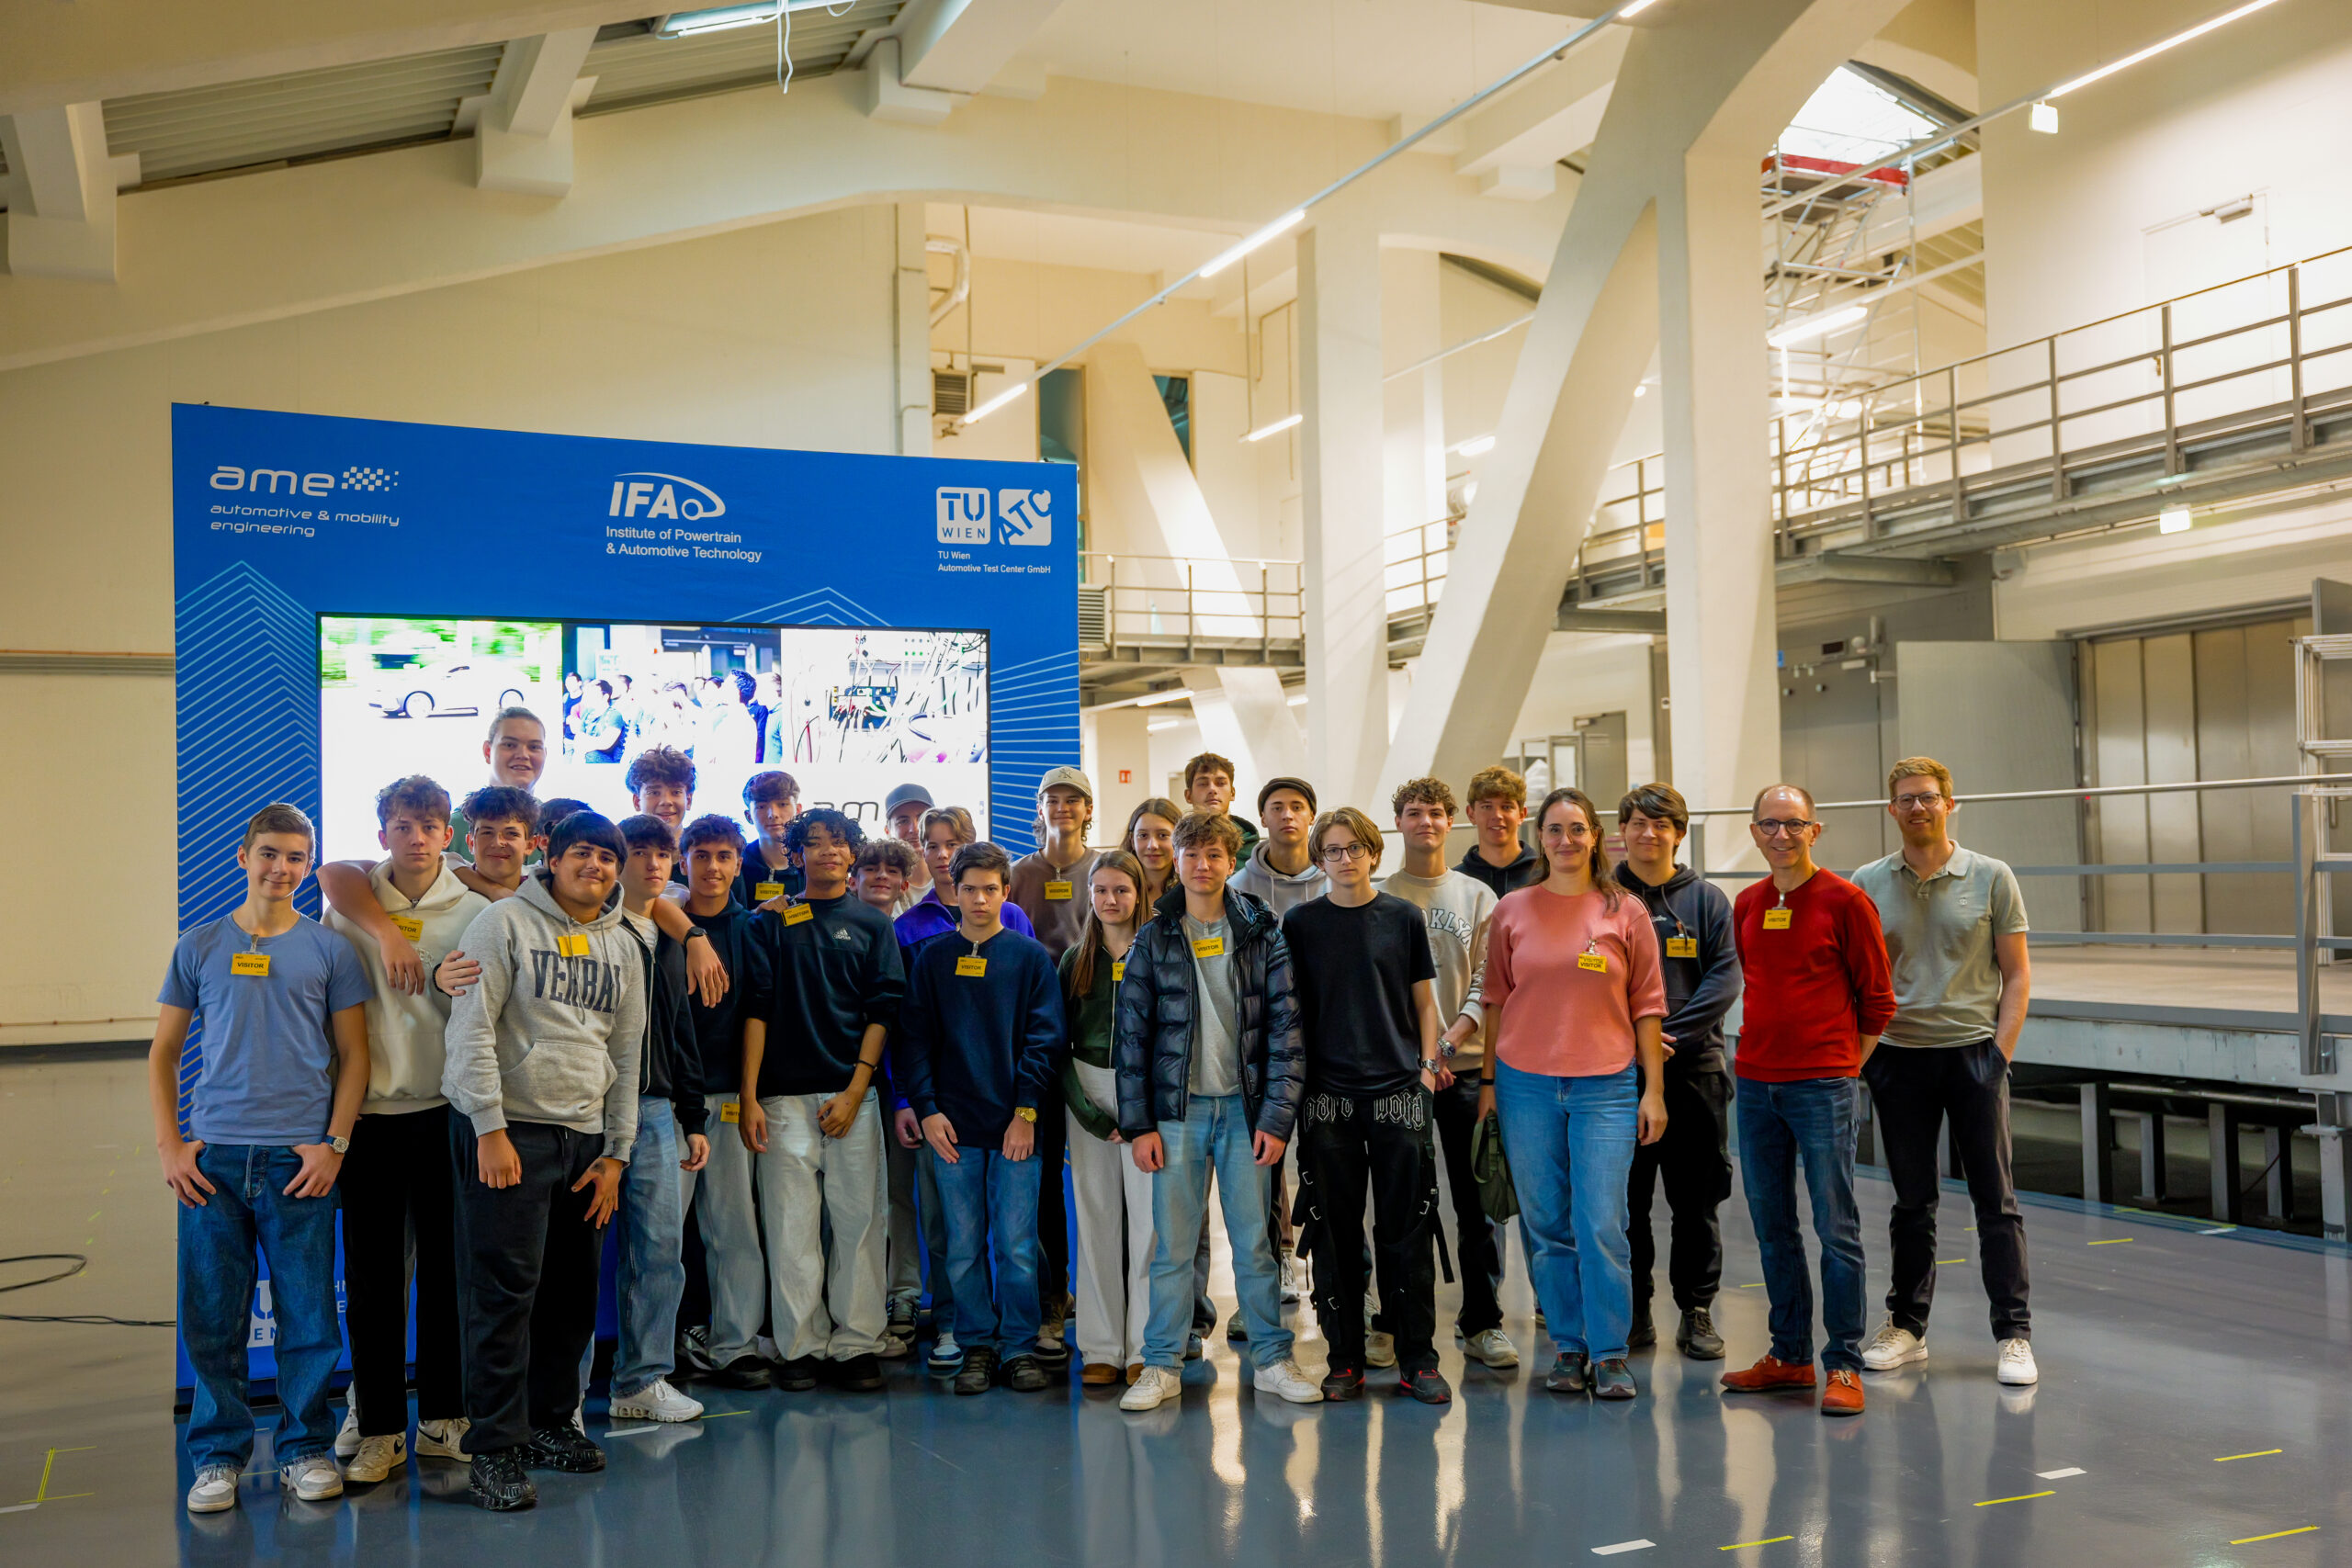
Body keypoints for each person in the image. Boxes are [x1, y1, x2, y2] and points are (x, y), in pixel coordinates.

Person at [153, 803, 372, 1515]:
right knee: (213, 1316)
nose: (282, 867)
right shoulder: (199, 944)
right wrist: (171, 1143)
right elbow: (163, 1052)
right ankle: (217, 1456)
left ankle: (304, 1448)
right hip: (212, 1164)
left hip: (299, 1163)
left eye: (296, 857)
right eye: (270, 853)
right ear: (243, 856)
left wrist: (335, 1144)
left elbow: (355, 1055)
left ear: (309, 866)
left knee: (309, 1317)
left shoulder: (330, 950)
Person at [441, 807, 644, 1510]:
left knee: (570, 1296)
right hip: (511, 1135)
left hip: (586, 1141)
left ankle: (552, 1423)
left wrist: (616, 1154)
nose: (596, 865)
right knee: (502, 1297)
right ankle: (494, 1449)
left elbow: (628, 1053)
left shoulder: (624, 945)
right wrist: (488, 1127)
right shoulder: (501, 924)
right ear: (551, 858)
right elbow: (470, 1030)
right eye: (582, 852)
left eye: (608, 857)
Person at [1114, 810, 1321, 1412]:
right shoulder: (1153, 937)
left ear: (1232, 862)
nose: (1202, 865)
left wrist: (1276, 1119)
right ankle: (1161, 1364)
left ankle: (1272, 1359)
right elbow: (1131, 1039)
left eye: (1213, 855)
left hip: (1244, 1111)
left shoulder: (1262, 931)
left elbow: (1286, 1031)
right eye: (1192, 854)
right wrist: (1140, 1125)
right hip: (1177, 1114)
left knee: (1255, 1244)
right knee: (1173, 1248)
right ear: (1175, 861)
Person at [1476, 786, 1668, 1402]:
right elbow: (1495, 1001)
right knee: (1548, 1225)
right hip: (1525, 1085)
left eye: (1577, 829)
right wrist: (1488, 1086)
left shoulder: (1625, 911)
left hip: (1606, 1087)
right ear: (1540, 838)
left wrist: (1653, 1092)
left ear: (1595, 837)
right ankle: (1567, 1346)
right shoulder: (1512, 910)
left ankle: (1610, 1351)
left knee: (1603, 1222)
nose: (1566, 840)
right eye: (1555, 829)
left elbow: (1648, 1006)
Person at [1850, 758, 2036, 1387]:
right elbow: (1859, 976)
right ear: (1892, 809)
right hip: (1898, 1058)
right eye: (1905, 799)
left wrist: (1998, 1054)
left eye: (1928, 797)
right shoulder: (1868, 881)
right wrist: (1867, 1055)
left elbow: (2017, 973)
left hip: (1973, 1055)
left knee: (1995, 1200)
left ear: (1949, 804)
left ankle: (2013, 1334)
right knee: (1911, 1201)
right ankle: (1907, 1326)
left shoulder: (1991, 876)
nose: (1917, 807)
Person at [321, 776, 485, 1481]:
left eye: (429, 826)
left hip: (448, 1113)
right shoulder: (348, 909)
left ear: (448, 834)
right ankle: (381, 1426)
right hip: (372, 1117)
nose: (416, 838)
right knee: (373, 1281)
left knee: (449, 1274)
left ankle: (444, 1419)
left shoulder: (476, 909)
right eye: (403, 825)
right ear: (382, 833)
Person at [1719, 784, 1895, 1419]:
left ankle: (1842, 1361)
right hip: (1755, 1085)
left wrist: (1843, 1066)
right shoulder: (1748, 903)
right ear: (1754, 831)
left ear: (1814, 831)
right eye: (1770, 824)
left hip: (1823, 1086)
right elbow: (1755, 979)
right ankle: (1789, 1353)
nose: (1781, 835)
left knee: (1835, 1228)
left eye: (1794, 824)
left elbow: (1878, 1000)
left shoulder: (1847, 901)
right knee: (1772, 1227)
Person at [1282, 807, 1449, 1404]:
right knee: (1335, 1234)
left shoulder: (1402, 917)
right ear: (1319, 859)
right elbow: (1291, 1010)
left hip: (1399, 1092)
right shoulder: (1300, 923)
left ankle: (1418, 1357)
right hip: (1328, 1099)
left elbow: (1425, 1003)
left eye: (1355, 848)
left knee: (1407, 1229)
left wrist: (1425, 1072)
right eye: (1333, 850)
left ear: (1374, 854)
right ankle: (1345, 1357)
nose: (1345, 858)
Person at [740, 809, 906, 1393]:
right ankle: (799, 1346)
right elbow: (756, 1009)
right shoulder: (770, 922)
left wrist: (856, 1090)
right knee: (791, 1230)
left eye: (839, 843)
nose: (829, 852)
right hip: (782, 1099)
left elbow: (883, 1010)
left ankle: (857, 1342)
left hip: (851, 1097)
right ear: (797, 854)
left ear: (852, 852)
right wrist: (750, 1095)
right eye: (814, 843)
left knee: (860, 1225)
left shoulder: (873, 924)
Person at [897, 841, 1065, 1396]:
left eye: (990, 889)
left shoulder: (1030, 958)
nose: (978, 899)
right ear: (956, 890)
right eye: (968, 889)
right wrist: (927, 1110)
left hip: (1017, 1126)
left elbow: (1045, 1041)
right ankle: (977, 1346)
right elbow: (915, 1041)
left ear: (1005, 892)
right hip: (951, 1130)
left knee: (1017, 1247)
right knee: (963, 1248)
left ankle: (1018, 1346)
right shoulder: (933, 960)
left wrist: (1026, 1112)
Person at [1381, 776, 1516, 1371]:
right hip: (1402, 1076)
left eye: (1436, 812)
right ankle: (1395, 1321)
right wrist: (1419, 1054)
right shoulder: (1382, 894)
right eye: (1414, 812)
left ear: (1450, 820)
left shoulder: (1478, 896)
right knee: (1401, 1204)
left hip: (1463, 1069)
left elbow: (1490, 981)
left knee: (1475, 1204)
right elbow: (1383, 990)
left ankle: (1482, 1321)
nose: (1426, 822)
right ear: (1399, 823)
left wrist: (1449, 1040)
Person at [1613, 783, 1740, 1362]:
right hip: (1618, 1074)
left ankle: (1696, 1309)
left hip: (1695, 1072)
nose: (1648, 833)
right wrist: (1633, 1042)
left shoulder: (1707, 900)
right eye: (1638, 822)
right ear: (1622, 831)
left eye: (1661, 824)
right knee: (1626, 1202)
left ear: (1679, 833)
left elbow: (1725, 978)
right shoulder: (1602, 897)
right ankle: (1635, 1310)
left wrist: (1665, 1038)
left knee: (1696, 1202)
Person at [603, 813, 711, 1424]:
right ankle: (561, 1397)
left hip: (658, 1109)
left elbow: (679, 1029)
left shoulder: (670, 935)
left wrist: (692, 1116)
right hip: (590, 1111)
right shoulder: (590, 924)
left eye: (661, 854)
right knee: (577, 1257)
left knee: (661, 1251)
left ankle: (640, 1381)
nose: (651, 863)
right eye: (638, 852)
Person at [669, 813, 775, 1391]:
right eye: (702, 855)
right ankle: (658, 1354)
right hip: (668, 1100)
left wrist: (749, 1094)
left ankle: (735, 1344)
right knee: (662, 1234)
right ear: (683, 860)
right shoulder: (663, 920)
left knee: (735, 1226)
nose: (713, 867)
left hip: (730, 1097)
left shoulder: (751, 928)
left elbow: (758, 1012)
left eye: (724, 856)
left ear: (739, 864)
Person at [1006, 765, 1100, 1359]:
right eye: (1052, 798)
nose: (1062, 807)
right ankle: (1052, 1297)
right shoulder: (1018, 875)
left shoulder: (1103, 869)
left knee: (1099, 1177)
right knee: (1042, 1182)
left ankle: (1105, 1296)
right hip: (1037, 1042)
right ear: (1039, 808)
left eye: (1073, 799)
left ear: (1088, 809)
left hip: (1092, 1041)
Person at [1058, 850, 1155, 1386]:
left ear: (1138, 894)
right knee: (1094, 1219)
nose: (1110, 900)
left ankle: (1145, 1346)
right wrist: (1088, 1113)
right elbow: (1057, 1047)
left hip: (1147, 1093)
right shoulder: (1075, 960)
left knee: (1149, 1225)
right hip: (1088, 1089)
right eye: (1101, 891)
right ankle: (1100, 1346)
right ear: (1090, 896)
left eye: (1121, 889)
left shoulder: (1162, 953)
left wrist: (1146, 1111)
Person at [854, 837, 929, 1352]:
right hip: (845, 1084)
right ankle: (857, 1302)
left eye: (891, 870)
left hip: (899, 1086)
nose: (881, 876)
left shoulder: (911, 935)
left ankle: (904, 1294)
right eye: (871, 868)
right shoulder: (831, 926)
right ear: (853, 877)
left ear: (905, 883)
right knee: (855, 1200)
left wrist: (905, 1095)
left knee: (899, 1193)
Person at [447, 707, 549, 858]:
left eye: (534, 747)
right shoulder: (454, 829)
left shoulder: (556, 826)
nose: (523, 755)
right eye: (510, 745)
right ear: (488, 751)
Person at [1228, 776, 1327, 916]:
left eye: (1297, 807)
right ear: (1263, 819)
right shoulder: (1238, 889)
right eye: (1277, 808)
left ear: (1312, 816)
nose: (1287, 815)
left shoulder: (1336, 880)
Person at [1457, 764, 1542, 899]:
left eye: (1506, 807)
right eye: (1487, 807)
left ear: (1521, 815)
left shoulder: (1546, 877)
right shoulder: (1456, 883)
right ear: (1471, 814)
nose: (1497, 815)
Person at [737, 770, 806, 907]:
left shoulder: (812, 863)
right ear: (748, 816)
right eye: (761, 806)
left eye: (782, 804)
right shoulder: (736, 864)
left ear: (798, 810)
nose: (773, 814)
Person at [1182, 751, 1260, 860]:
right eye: (1203, 784)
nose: (1212, 789)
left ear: (1232, 793)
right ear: (1188, 796)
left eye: (1221, 783)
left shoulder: (1256, 855)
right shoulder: (1177, 846)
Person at [627, 746, 697, 842]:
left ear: (688, 800)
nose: (666, 802)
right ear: (637, 802)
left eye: (676, 792)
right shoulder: (620, 849)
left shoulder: (703, 849)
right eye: (654, 793)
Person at [885, 784, 934, 915]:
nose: (915, 829)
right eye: (903, 821)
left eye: (922, 818)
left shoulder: (956, 880)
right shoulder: (879, 884)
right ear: (888, 831)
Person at [1125, 797, 1182, 910]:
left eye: (1162, 835)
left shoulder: (1192, 889)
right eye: (1143, 835)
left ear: (1180, 839)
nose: (1152, 845)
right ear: (1132, 841)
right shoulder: (1118, 889)